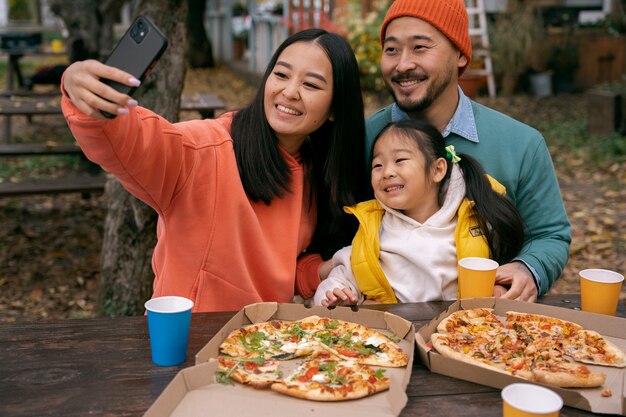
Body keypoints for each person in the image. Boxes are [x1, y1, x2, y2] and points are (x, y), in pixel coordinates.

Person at [60, 28, 370, 312]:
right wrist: (79, 87)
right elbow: (132, 140)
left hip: (263, 347)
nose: (289, 91)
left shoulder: (316, 173)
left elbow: (281, 267)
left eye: (311, 84)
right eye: (281, 74)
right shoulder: (207, 148)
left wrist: (322, 271)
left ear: (334, 109)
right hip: (189, 344)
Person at [365, 0, 571, 302]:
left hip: (486, 328)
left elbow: (550, 235)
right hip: (378, 331)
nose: (403, 64)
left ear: (461, 54)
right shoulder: (362, 139)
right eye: (392, 49)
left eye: (420, 47)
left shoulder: (521, 144)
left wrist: (529, 269)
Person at [314, 119, 525, 307]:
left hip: (459, 336)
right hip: (394, 339)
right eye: (377, 165)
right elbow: (339, 277)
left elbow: (500, 270)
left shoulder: (474, 221)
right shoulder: (373, 232)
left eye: (400, 160)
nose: (387, 172)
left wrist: (498, 290)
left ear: (437, 170)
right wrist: (334, 295)